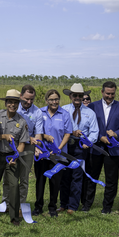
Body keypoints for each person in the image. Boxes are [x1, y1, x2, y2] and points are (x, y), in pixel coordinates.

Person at [82, 81, 119, 214]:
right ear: (102, 92)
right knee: (92, 177)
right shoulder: (92, 106)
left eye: (112, 93)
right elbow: (88, 126)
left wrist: (116, 134)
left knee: (111, 179)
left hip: (114, 150)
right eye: (107, 93)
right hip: (96, 148)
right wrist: (99, 137)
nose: (110, 96)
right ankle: (87, 204)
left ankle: (107, 206)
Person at [0, 90, 29, 226]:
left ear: (18, 104)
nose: (12, 105)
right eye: (10, 102)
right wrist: (3, 136)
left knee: (13, 186)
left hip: (12, 157)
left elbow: (22, 143)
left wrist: (16, 157)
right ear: (5, 103)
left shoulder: (22, 121)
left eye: (15, 102)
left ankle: (14, 216)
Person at [59, 84, 99, 215]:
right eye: (75, 95)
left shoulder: (90, 113)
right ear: (70, 96)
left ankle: (73, 205)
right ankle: (63, 204)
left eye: (80, 96)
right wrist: (71, 133)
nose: (77, 97)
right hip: (65, 145)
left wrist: (89, 141)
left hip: (81, 147)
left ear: (83, 97)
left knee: (77, 176)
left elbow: (94, 132)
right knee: (65, 175)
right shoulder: (63, 110)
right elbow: (60, 129)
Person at [33, 89, 72, 217]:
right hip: (42, 154)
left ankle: (52, 207)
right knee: (40, 180)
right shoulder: (40, 112)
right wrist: (44, 136)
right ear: (46, 100)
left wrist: (58, 149)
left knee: (55, 182)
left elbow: (67, 134)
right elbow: (36, 130)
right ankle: (38, 206)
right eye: (51, 99)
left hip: (58, 155)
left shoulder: (64, 114)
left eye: (56, 99)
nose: (54, 102)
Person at [16, 85, 44, 211]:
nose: (29, 102)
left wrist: (38, 146)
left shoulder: (37, 112)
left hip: (28, 148)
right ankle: (8, 204)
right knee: (10, 176)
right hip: (13, 146)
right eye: (26, 99)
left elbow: (38, 133)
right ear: (21, 96)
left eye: (31, 99)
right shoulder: (14, 108)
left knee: (24, 178)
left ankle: (21, 205)